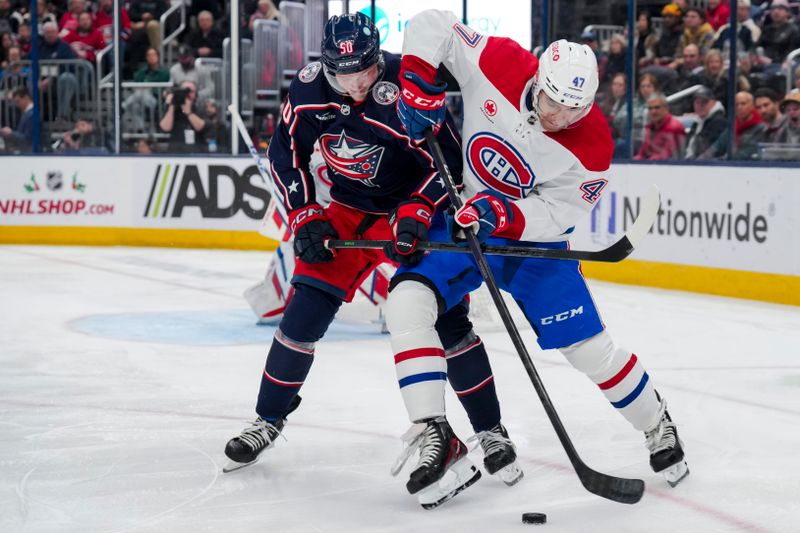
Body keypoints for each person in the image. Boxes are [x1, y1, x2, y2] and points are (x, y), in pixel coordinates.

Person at [386, 9, 689, 507]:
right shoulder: (499, 60)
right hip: (466, 221)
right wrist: (418, 80)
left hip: (530, 243)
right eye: (552, 102)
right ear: (537, 78)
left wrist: (500, 211)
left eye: (573, 111)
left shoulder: (593, 143)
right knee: (406, 302)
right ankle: (437, 437)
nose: (558, 118)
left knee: (590, 351)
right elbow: (432, 24)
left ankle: (657, 423)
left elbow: (557, 214)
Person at [223, 14, 524, 500]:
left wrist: (419, 208)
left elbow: (447, 162)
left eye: (363, 70)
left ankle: (490, 430)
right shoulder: (305, 92)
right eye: (342, 73)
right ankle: (267, 419)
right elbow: (286, 156)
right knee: (302, 317)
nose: (355, 83)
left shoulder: (409, 83)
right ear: (326, 65)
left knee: (448, 323)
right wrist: (304, 214)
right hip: (343, 209)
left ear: (376, 58)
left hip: (410, 212)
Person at [158, 79, 206, 153]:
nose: (187, 94)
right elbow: (165, 128)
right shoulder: (171, 108)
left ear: (196, 94)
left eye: (191, 91)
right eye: (184, 91)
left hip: (196, 151)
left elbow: (201, 127)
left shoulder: (200, 107)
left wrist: (189, 112)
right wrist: (172, 105)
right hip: (175, 151)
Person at [635, 93, 687, 160]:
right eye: (650, 108)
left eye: (657, 108)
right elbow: (642, 153)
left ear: (666, 109)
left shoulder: (675, 128)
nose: (653, 111)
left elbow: (667, 156)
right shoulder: (649, 128)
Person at [685, 86, 728, 158]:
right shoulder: (698, 121)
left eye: (704, 102)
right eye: (697, 102)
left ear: (713, 103)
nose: (700, 105)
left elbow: (709, 149)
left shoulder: (718, 122)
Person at [0, 85, 34, 151]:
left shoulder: (32, 115)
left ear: (26, 97)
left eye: (18, 101)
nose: (17, 105)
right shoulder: (27, 113)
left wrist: (11, 133)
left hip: (29, 152)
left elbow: (28, 139)